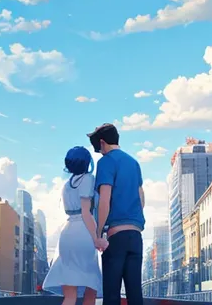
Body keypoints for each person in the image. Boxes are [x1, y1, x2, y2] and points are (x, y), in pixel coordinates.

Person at [88, 123, 145, 305]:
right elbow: (141, 198)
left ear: (103, 143)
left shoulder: (106, 162)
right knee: (135, 294)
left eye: (98, 148)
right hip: (135, 235)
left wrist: (98, 234)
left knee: (112, 294)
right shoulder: (133, 162)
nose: (100, 152)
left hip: (116, 236)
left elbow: (105, 199)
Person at [43, 146, 102, 305]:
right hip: (83, 232)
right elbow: (85, 212)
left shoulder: (67, 184)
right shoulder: (88, 179)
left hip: (67, 233)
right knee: (91, 285)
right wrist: (96, 238)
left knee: (69, 294)